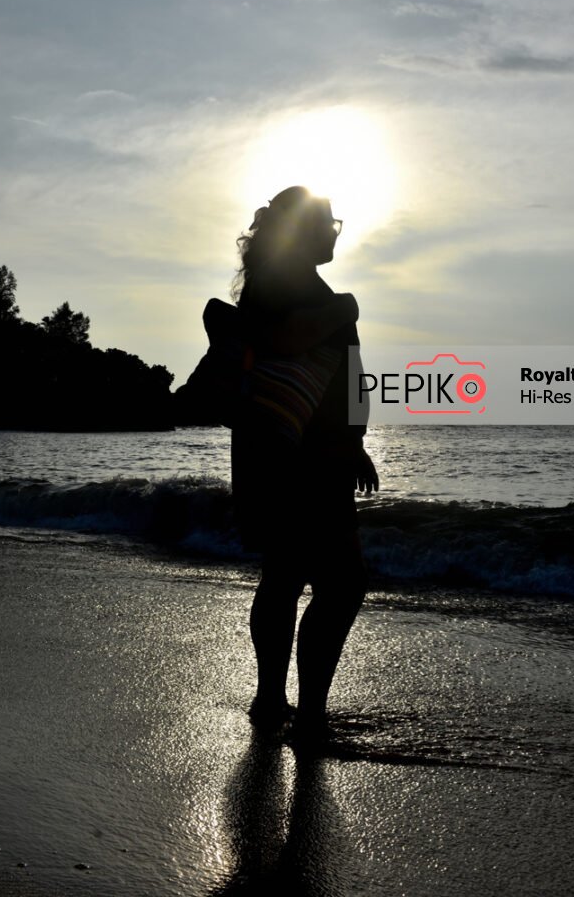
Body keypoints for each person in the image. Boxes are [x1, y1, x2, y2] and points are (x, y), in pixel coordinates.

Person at [230, 185, 378, 742]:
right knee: (337, 582)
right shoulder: (281, 281)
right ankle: (301, 708)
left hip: (309, 451)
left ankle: (279, 702)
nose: (335, 233)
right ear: (302, 230)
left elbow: (341, 372)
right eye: (330, 225)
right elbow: (282, 343)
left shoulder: (297, 281)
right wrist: (342, 309)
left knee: (292, 575)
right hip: (297, 453)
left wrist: (356, 440)